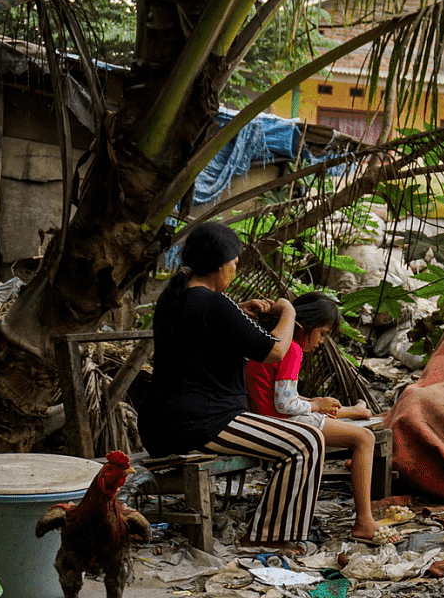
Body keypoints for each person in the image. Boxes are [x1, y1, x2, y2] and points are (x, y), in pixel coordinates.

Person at [137, 222, 322, 556]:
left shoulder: (172, 300)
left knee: (301, 440)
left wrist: (241, 315)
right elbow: (275, 351)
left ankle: (271, 529)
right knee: (306, 441)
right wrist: (289, 312)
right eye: (235, 264)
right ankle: (267, 535)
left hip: (160, 424)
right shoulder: (215, 304)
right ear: (220, 264)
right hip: (197, 421)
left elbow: (209, 334)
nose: (235, 271)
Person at [244, 292, 402, 545]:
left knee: (322, 408)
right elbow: (285, 404)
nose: (321, 342)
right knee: (364, 438)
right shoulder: (291, 350)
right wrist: (315, 405)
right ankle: (364, 522)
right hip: (281, 422)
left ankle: (355, 411)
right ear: (302, 326)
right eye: (323, 333)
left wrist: (315, 405)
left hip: (266, 417)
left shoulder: (267, 342)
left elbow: (280, 396)